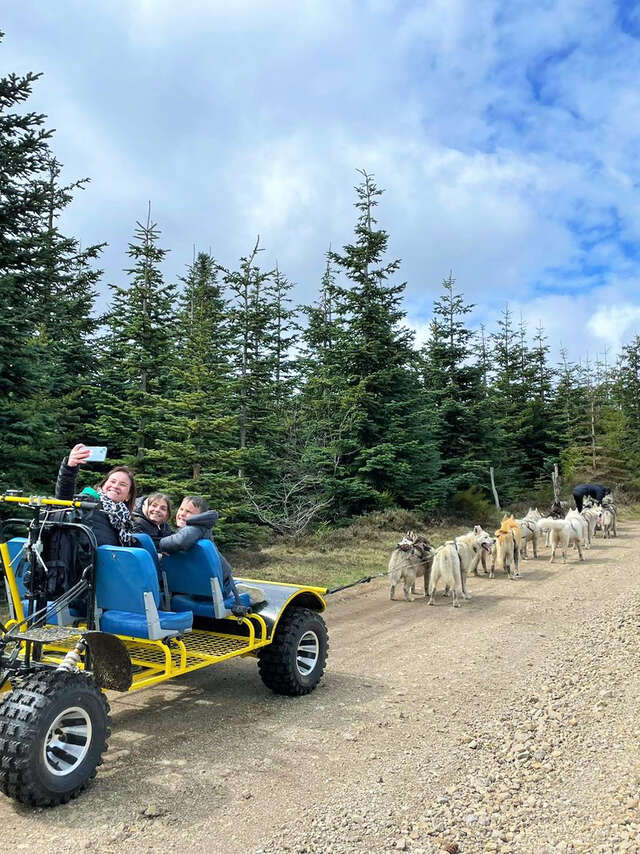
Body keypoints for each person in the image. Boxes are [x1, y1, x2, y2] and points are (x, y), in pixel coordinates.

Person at [55, 443, 137, 546]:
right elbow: (63, 501)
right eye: (112, 481)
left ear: (128, 496)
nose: (115, 486)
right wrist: (69, 468)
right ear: (103, 485)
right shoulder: (88, 502)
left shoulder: (126, 521)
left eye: (123, 484)